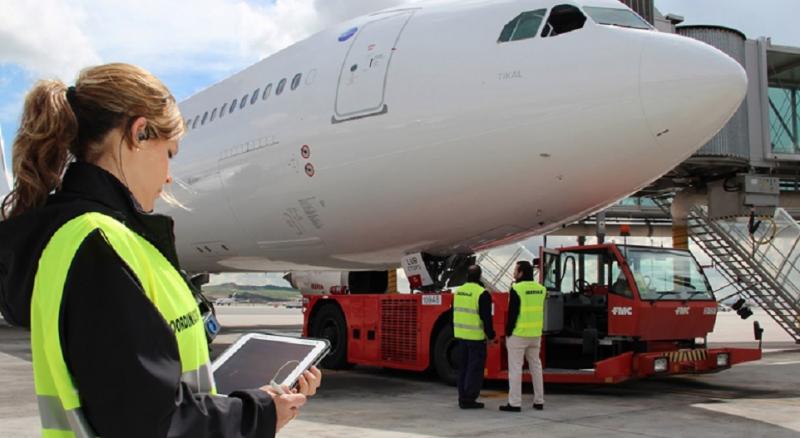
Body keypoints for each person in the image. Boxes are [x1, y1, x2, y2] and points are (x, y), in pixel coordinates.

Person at [0, 63, 319, 437]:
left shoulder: (85, 238)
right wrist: (260, 413)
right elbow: (150, 424)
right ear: (139, 133)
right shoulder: (101, 246)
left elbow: (136, 393)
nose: (168, 175)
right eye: (169, 153)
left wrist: (247, 399)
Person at [500, 261, 545, 412]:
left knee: (515, 369)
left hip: (519, 334)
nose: (513, 272)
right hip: (535, 334)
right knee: (536, 367)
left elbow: (513, 313)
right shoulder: (541, 289)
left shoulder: (517, 289)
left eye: (515, 270)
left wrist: (508, 331)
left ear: (521, 273)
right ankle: (539, 401)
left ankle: (514, 403)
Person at [452, 265, 495, 409]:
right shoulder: (482, 293)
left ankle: (462, 397)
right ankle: (469, 399)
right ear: (479, 276)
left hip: (461, 336)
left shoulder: (459, 292)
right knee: (475, 369)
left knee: (463, 368)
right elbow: (486, 318)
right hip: (476, 338)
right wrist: (491, 335)